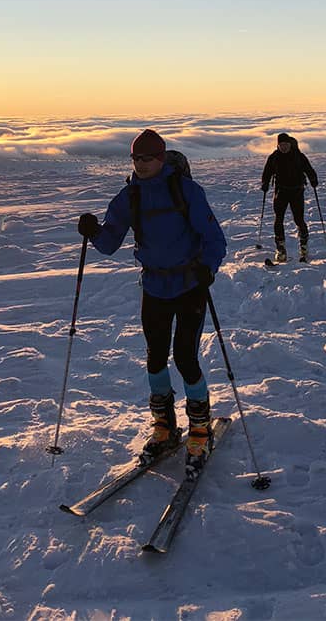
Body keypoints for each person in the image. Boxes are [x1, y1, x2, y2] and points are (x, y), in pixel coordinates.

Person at [77, 129, 227, 476]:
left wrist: (208, 267)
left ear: (161, 158)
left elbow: (214, 238)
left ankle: (200, 429)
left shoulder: (186, 190)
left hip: (190, 284)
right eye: (136, 159)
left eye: (148, 158)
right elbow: (108, 243)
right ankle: (164, 427)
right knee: (156, 358)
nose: (141, 164)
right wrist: (91, 230)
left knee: (186, 357)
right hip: (156, 286)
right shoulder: (130, 197)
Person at [260, 132, 318, 262]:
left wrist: (313, 179)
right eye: (281, 145)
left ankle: (303, 246)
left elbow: (308, 169)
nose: (284, 147)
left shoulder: (299, 156)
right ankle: (280, 249)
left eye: (285, 144)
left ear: (290, 144)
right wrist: (265, 183)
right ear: (278, 145)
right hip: (281, 191)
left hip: (297, 191)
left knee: (299, 219)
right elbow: (267, 172)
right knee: (278, 219)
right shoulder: (274, 157)